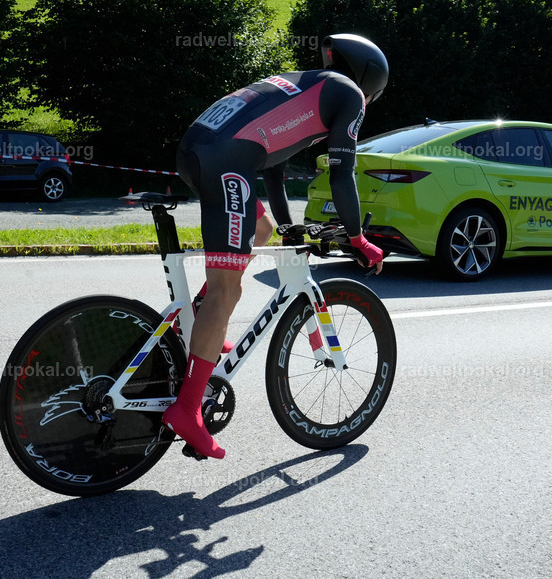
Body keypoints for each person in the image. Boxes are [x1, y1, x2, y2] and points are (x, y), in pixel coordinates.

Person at [162, 33, 388, 459]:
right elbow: (342, 174)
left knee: (260, 229)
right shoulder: (350, 95)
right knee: (229, 289)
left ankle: (195, 320)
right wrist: (357, 238)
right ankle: (188, 409)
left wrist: (286, 227)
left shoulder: (304, 83)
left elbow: (273, 172)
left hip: (202, 150)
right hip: (226, 163)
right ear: (371, 80)